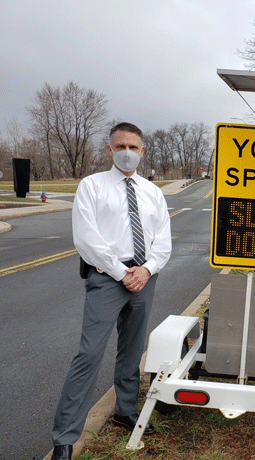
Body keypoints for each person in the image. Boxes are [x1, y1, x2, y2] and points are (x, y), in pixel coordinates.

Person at [51, 122, 172, 460]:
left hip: (144, 278)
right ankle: (65, 437)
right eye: (121, 146)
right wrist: (123, 272)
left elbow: (162, 241)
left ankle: (126, 411)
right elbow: (86, 239)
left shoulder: (153, 193)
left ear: (143, 150)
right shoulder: (91, 187)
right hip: (107, 276)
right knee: (89, 354)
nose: (128, 153)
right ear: (110, 149)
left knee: (133, 350)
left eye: (134, 147)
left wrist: (145, 270)